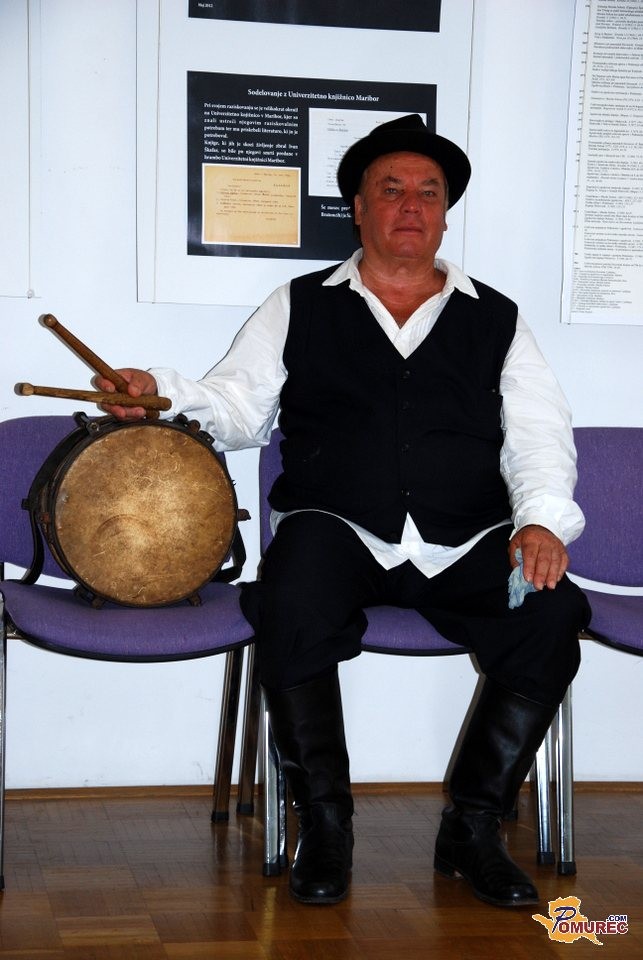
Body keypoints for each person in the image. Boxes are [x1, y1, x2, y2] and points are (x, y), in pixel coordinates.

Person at [96, 115, 591, 909]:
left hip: (466, 537)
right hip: (337, 529)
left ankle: (472, 828)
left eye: (427, 192)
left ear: (445, 213)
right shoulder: (297, 303)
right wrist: (160, 394)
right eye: (389, 189)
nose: (409, 205)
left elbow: (537, 433)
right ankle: (324, 825)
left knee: (550, 611)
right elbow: (237, 408)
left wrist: (538, 520)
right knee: (289, 598)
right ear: (357, 209)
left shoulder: (495, 316)